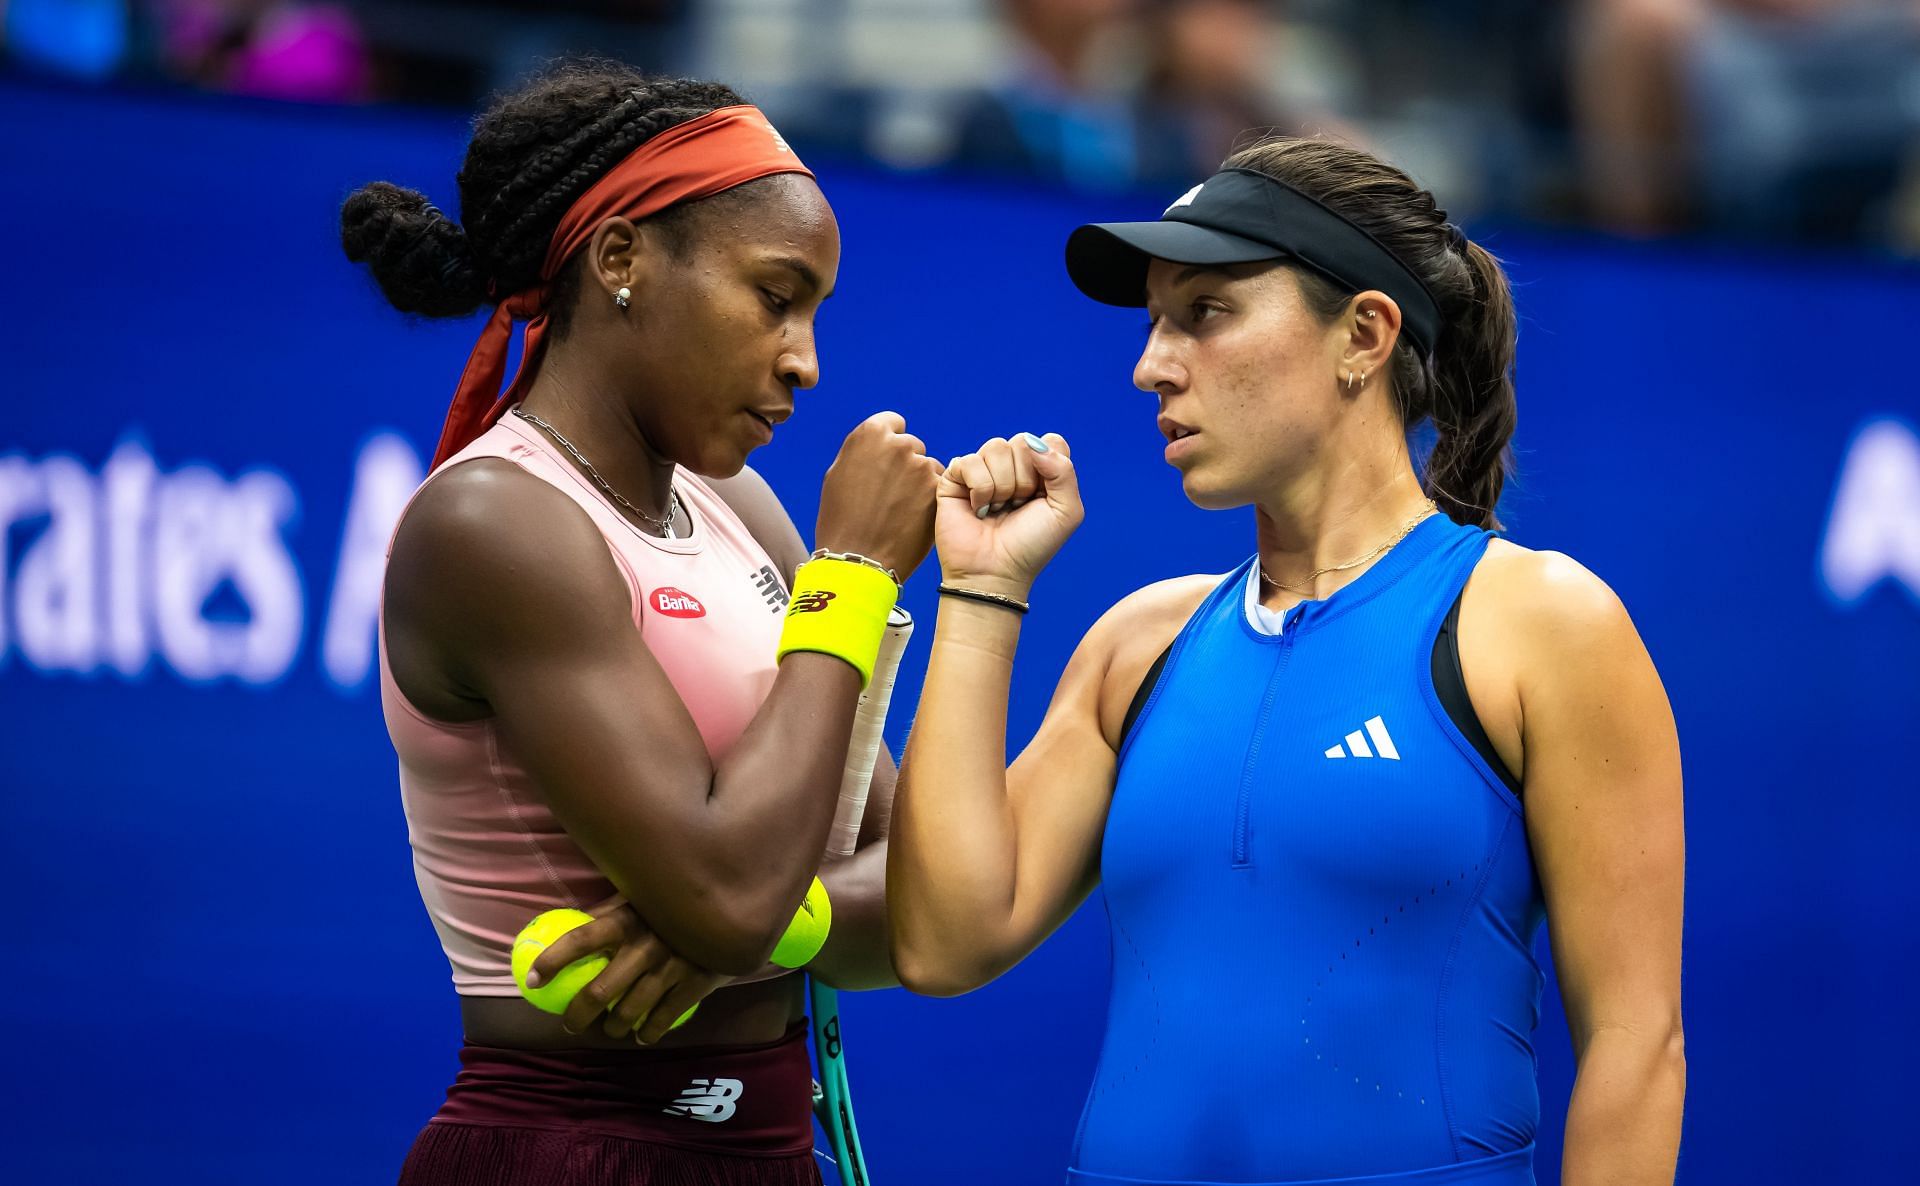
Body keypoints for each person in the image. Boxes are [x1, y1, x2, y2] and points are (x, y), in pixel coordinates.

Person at [888, 136, 1686, 1184]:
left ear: (1364, 333)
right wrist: (983, 590)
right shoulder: (1140, 642)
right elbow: (945, 943)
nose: (1151, 365)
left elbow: (1637, 1047)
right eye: (1153, 324)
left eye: (1205, 313)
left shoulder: (1542, 621)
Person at [340, 61, 941, 1185]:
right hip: (567, 1152)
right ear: (621, 259)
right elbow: (721, 896)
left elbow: (915, 885)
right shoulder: (493, 521)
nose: (806, 359)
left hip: (765, 1148)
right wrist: (853, 574)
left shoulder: (736, 502)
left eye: (813, 310)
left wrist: (782, 923)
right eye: (776, 295)